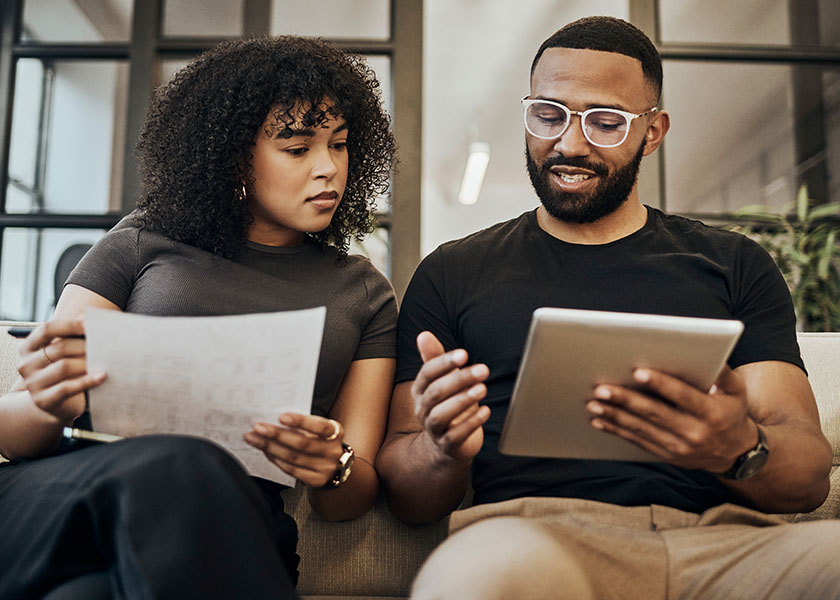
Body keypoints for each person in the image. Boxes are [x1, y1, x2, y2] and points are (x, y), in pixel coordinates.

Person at [375, 16, 840, 600]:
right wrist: (441, 452)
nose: (569, 143)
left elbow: (809, 479)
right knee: (475, 577)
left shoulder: (734, 263)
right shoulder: (453, 271)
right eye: (548, 115)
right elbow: (407, 497)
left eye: (605, 121)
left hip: (720, 545)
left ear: (653, 132)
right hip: (535, 540)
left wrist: (739, 446)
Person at [0, 35, 396, 600]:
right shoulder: (143, 241)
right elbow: (12, 434)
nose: (328, 169)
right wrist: (47, 401)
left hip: (230, 528)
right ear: (234, 155)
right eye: (297, 148)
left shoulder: (363, 292)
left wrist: (332, 466)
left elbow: (352, 498)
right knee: (183, 462)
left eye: (340, 144)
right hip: (72, 497)